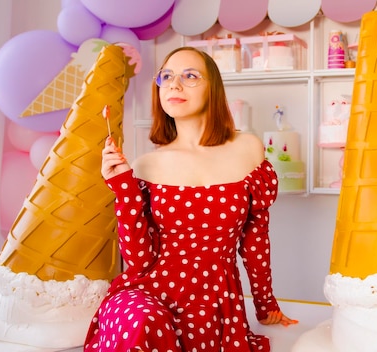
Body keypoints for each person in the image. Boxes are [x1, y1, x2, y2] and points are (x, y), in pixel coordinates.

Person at [85, 46, 298, 352]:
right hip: (145, 297)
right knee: (143, 321)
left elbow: (255, 239)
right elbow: (139, 262)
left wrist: (265, 305)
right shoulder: (146, 165)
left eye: (190, 76)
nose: (174, 84)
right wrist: (123, 189)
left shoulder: (248, 148)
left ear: (213, 87)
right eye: (167, 76)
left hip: (213, 306)